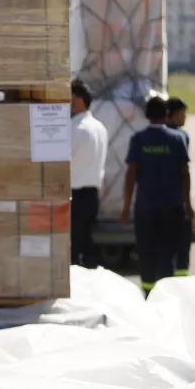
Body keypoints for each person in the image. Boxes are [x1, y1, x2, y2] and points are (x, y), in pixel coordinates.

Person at [119, 96, 193, 295]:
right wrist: (187, 203)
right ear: (166, 115)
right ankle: (166, 295)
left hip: (145, 207)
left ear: (146, 115)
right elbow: (184, 172)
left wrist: (126, 206)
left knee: (146, 252)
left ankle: (148, 294)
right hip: (172, 207)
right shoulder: (177, 139)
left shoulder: (139, 139)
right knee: (167, 253)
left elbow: (130, 173)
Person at [70, 80, 108, 270]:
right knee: (87, 243)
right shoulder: (100, 127)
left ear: (78, 100)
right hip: (92, 195)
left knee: (74, 246)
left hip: (75, 195)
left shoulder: (75, 129)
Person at [167, 97, 192, 277]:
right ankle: (181, 277)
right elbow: (184, 171)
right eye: (183, 114)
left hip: (156, 200)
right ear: (174, 115)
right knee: (181, 244)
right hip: (177, 199)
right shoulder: (180, 136)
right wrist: (188, 204)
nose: (185, 118)